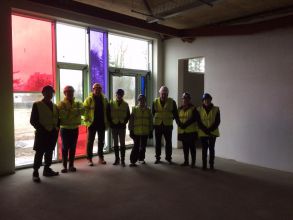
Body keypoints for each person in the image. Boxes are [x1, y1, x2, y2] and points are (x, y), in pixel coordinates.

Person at [30, 85, 59, 182]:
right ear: (43, 93)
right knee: (39, 152)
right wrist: (42, 129)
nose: (49, 94)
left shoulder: (55, 106)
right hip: (42, 133)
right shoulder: (37, 104)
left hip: (53, 133)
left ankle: (47, 169)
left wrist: (56, 128)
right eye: (47, 92)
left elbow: (57, 118)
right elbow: (33, 120)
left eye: (51, 92)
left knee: (49, 152)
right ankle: (35, 172)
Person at [58, 86, 84, 173]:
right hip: (65, 129)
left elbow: (83, 111)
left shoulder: (77, 103)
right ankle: (64, 166)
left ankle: (71, 165)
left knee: (73, 147)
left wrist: (69, 111)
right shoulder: (61, 103)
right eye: (68, 92)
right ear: (64, 93)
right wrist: (75, 112)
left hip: (75, 128)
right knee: (65, 147)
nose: (70, 93)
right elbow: (62, 115)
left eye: (71, 92)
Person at [152, 86, 179, 164]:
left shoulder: (172, 102)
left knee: (168, 142)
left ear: (168, 94)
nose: (164, 95)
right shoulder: (155, 102)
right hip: (158, 125)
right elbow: (152, 114)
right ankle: (157, 157)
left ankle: (168, 157)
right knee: (158, 143)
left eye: (165, 94)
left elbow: (175, 114)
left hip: (168, 125)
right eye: (162, 93)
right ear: (159, 93)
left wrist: (176, 122)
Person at [83, 83, 109, 166]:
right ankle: (89, 158)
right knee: (90, 142)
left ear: (101, 90)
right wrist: (86, 122)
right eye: (95, 89)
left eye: (99, 89)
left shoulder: (104, 99)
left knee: (101, 141)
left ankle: (101, 157)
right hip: (92, 123)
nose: (97, 90)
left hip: (101, 123)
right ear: (93, 89)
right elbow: (84, 111)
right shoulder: (89, 99)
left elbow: (107, 111)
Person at [107, 89, 130, 167]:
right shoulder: (111, 103)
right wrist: (111, 123)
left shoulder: (126, 104)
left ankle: (122, 160)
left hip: (122, 126)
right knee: (115, 143)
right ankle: (117, 159)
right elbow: (108, 114)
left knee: (122, 143)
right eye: (118, 94)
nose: (119, 96)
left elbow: (128, 115)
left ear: (122, 95)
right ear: (115, 95)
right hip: (114, 126)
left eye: (121, 94)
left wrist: (125, 122)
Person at [197, 93, 221, 170]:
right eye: (205, 99)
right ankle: (204, 165)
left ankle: (211, 165)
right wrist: (205, 130)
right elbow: (198, 122)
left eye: (208, 99)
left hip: (212, 132)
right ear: (203, 101)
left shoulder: (216, 109)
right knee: (204, 149)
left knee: (211, 149)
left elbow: (217, 121)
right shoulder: (199, 109)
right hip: (203, 132)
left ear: (211, 100)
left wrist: (209, 130)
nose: (206, 101)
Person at [128, 94, 153, 167]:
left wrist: (151, 130)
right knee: (136, 146)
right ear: (138, 101)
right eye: (140, 100)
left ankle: (141, 159)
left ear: (145, 101)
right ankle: (133, 161)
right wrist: (130, 130)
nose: (142, 101)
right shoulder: (134, 109)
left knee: (143, 146)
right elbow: (131, 121)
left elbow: (151, 121)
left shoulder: (148, 110)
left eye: (143, 100)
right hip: (136, 132)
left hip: (145, 131)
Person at [178, 92, 199, 168]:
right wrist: (180, 124)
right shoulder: (179, 109)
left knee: (192, 148)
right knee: (185, 148)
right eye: (183, 98)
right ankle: (186, 161)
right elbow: (177, 119)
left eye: (186, 98)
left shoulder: (193, 108)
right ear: (182, 100)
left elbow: (194, 118)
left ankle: (193, 163)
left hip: (191, 132)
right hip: (182, 131)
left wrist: (185, 124)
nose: (185, 100)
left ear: (189, 100)